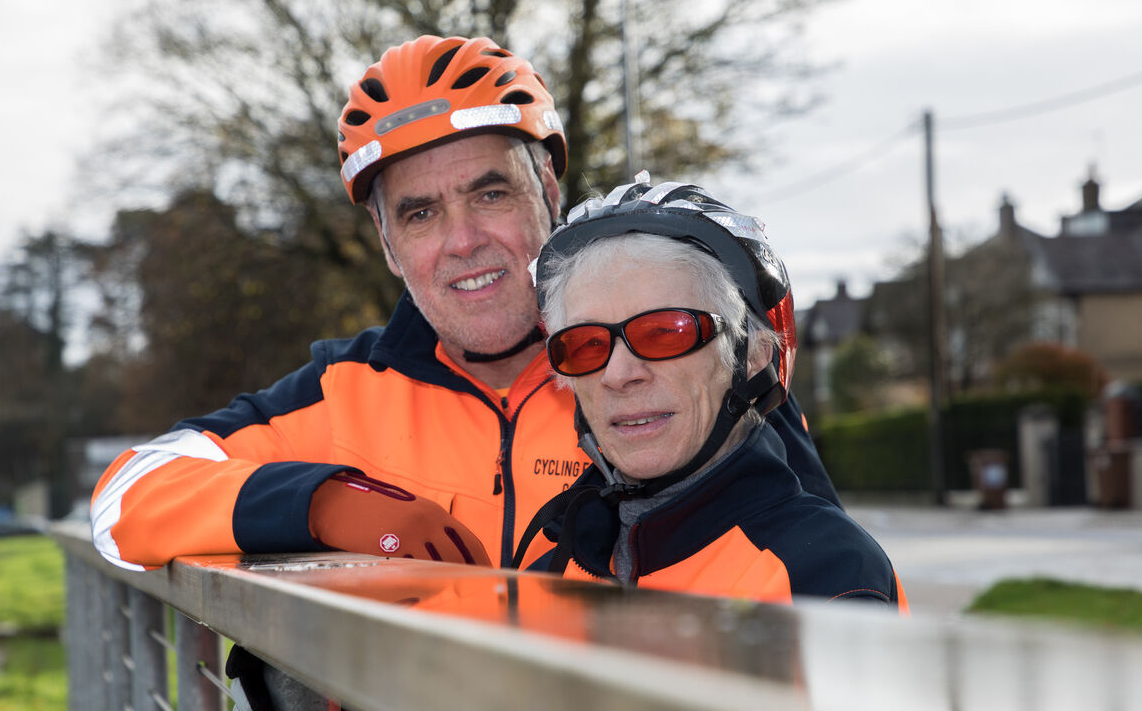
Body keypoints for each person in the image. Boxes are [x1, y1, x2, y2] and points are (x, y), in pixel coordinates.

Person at [91, 35, 839, 577]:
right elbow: (124, 495)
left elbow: (821, 576)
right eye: (420, 214)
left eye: (490, 193)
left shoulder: (673, 372)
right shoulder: (340, 392)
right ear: (388, 247)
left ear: (550, 193)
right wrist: (322, 504)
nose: (462, 241)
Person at [517, 177, 907, 609]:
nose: (619, 373)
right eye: (587, 344)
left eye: (665, 332)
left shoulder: (829, 579)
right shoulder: (549, 571)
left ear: (754, 356)